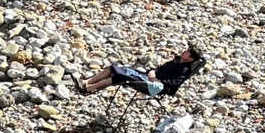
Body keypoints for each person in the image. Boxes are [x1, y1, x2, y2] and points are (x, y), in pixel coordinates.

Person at [73, 45, 204, 97]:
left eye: (187, 51)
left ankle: (89, 88)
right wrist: (153, 71)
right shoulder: (177, 60)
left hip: (156, 86)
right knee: (113, 68)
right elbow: (160, 68)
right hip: (149, 76)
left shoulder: (183, 70)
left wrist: (154, 78)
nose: (184, 51)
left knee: (121, 76)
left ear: (190, 58)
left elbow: (173, 84)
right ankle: (86, 82)